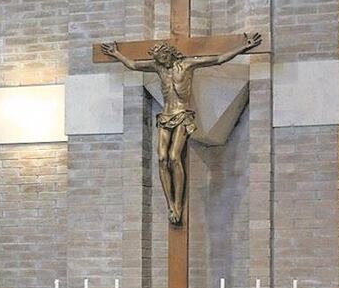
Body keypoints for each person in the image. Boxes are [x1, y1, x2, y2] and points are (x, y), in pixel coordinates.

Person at [100, 32, 262, 225]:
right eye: (158, 59)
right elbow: (134, 65)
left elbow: (218, 59)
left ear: (169, 53)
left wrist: (243, 46)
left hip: (183, 115)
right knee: (162, 158)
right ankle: (171, 205)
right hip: (165, 116)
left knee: (174, 156)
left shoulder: (187, 65)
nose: (161, 61)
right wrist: (116, 54)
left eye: (163, 57)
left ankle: (178, 204)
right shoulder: (158, 67)